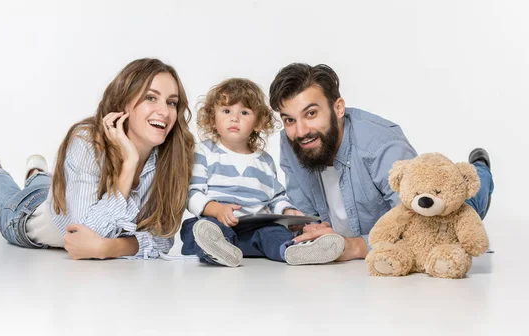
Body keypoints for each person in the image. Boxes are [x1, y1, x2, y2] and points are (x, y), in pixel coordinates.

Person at [268, 63, 494, 263]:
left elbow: (420, 224)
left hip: (432, 208)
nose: (300, 131)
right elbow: (303, 211)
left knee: (462, 203)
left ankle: (481, 167)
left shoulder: (382, 145)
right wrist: (311, 230)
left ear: (338, 108)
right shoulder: (291, 143)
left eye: (311, 114)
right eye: (289, 119)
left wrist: (353, 247)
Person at [0, 58, 195, 259]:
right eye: (151, 98)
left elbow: (164, 237)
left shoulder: (171, 158)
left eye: (172, 102)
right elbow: (82, 233)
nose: (164, 112)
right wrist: (129, 164)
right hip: (25, 216)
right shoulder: (87, 142)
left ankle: (38, 175)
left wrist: (108, 248)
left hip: (60, 194)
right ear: (125, 102)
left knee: (46, 185)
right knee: (10, 198)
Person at [180, 78, 345, 267]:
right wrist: (217, 210)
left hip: (254, 229)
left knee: (273, 233)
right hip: (217, 221)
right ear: (212, 118)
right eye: (226, 111)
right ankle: (219, 250)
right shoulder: (204, 152)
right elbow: (193, 195)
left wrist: (287, 211)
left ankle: (295, 250)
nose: (234, 118)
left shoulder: (264, 160)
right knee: (197, 229)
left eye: (244, 112)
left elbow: (275, 197)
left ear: (257, 123)